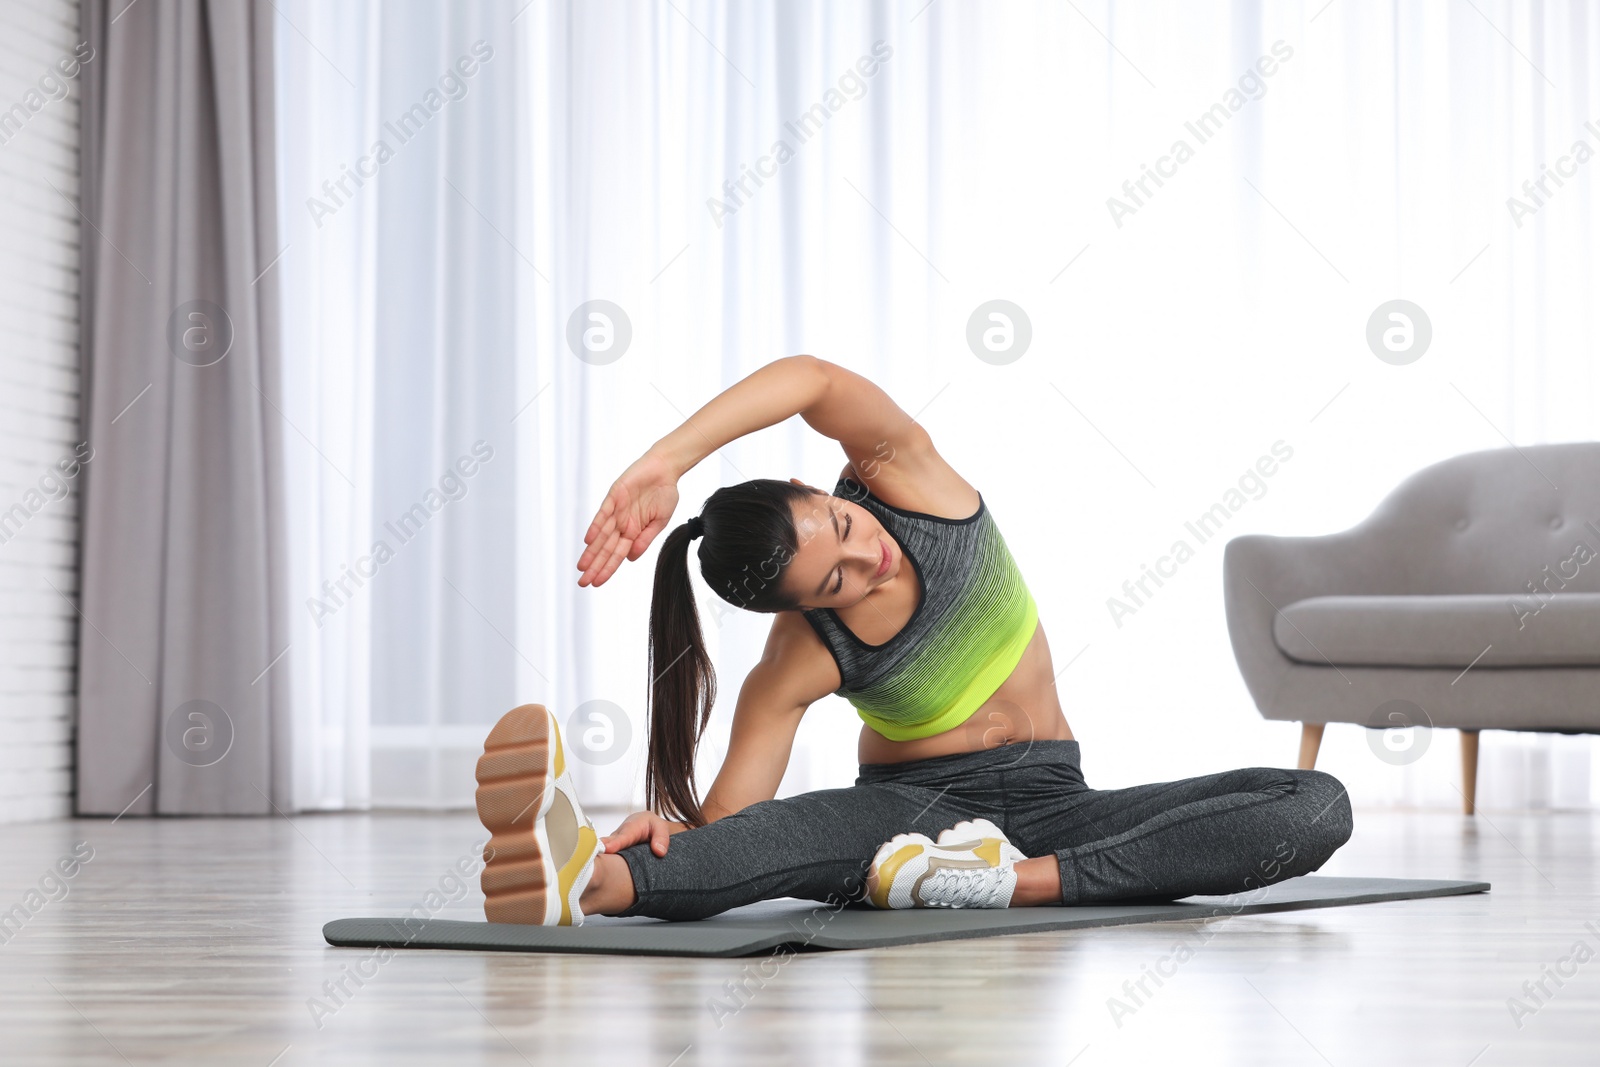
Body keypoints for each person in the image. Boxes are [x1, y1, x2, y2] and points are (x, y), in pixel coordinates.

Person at [473, 355, 1352, 925]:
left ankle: (1011, 882)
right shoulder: (799, 657)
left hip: (1055, 801)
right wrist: (679, 838)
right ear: (797, 607)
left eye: (841, 522)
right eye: (835, 580)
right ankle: (582, 877)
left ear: (812, 484)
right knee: (778, 842)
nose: (869, 555)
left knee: (1314, 805)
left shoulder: (911, 481)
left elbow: (813, 380)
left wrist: (668, 457)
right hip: (909, 821)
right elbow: (742, 822)